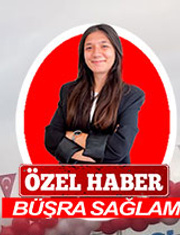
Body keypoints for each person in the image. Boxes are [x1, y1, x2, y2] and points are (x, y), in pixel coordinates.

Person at [43, 24, 144, 165]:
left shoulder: (130, 96)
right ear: (82, 54)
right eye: (89, 47)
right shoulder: (69, 91)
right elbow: (51, 137)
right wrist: (100, 145)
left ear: (116, 51)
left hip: (112, 182)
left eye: (104, 46)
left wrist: (72, 136)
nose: (96, 53)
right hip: (71, 180)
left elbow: (118, 148)